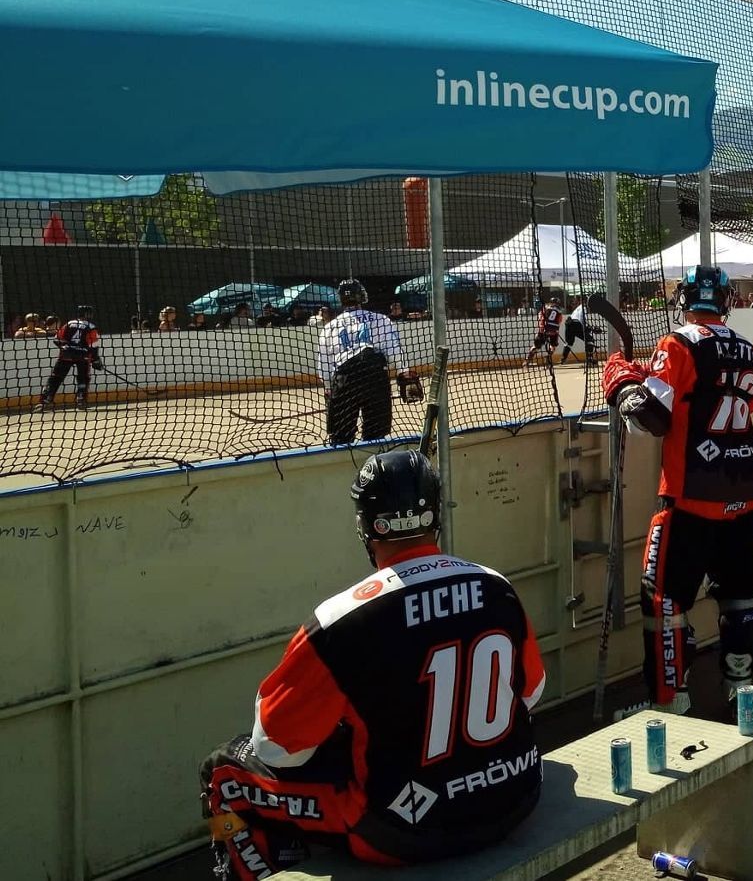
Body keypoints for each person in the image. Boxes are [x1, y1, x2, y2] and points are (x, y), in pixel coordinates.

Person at [198, 451, 544, 879]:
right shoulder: (496, 586)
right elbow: (531, 693)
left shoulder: (340, 621)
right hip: (515, 799)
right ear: (436, 515)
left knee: (222, 771)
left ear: (366, 525)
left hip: (404, 832)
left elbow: (275, 747)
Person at [600, 266, 753, 717]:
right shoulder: (748, 350)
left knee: (663, 597)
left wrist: (621, 384)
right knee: (740, 592)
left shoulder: (677, 343)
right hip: (744, 489)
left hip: (691, 494)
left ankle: (670, 699)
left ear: (685, 299)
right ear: (726, 302)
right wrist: (649, 375)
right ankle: (741, 689)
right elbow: (717, 397)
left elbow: (650, 420)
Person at [316, 280, 418, 446]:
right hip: (374, 376)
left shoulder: (330, 327)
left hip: (345, 378)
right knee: (376, 433)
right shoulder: (381, 319)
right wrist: (403, 372)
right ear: (362, 296)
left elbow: (324, 363)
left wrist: (329, 387)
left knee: (341, 436)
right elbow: (394, 351)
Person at [34, 305, 101, 412]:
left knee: (55, 378)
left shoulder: (69, 324)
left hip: (66, 356)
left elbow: (57, 339)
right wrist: (96, 360)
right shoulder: (91, 327)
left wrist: (65, 347)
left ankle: (44, 400)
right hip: (83, 357)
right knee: (83, 378)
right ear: (88, 314)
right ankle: (81, 400)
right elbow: (93, 345)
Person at [523, 294, 563, 368]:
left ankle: (527, 361)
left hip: (543, 330)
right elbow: (559, 321)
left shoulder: (545, 308)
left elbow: (540, 317)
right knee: (553, 346)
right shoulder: (559, 311)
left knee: (536, 346)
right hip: (553, 331)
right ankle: (548, 359)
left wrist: (542, 325)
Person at [558, 296, 590, 363]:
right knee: (589, 340)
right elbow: (582, 318)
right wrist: (587, 327)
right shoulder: (583, 308)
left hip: (568, 324)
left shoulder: (577, 308)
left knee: (569, 342)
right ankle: (590, 359)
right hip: (576, 324)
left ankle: (563, 359)